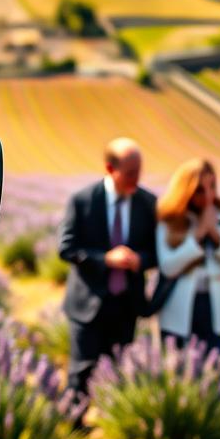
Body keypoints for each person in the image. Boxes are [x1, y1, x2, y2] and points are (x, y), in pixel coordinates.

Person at [59, 138, 157, 395]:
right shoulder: (82, 200)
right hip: (87, 304)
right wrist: (106, 259)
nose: (136, 179)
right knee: (80, 374)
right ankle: (75, 427)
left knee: (119, 374)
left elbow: (157, 253)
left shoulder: (148, 203)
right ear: (110, 169)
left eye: (139, 172)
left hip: (126, 305)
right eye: (130, 173)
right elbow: (67, 249)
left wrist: (140, 261)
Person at [153, 158, 220, 354]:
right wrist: (198, 233)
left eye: (212, 186)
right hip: (178, 313)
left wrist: (215, 236)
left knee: (215, 375)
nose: (208, 196)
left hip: (215, 310)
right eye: (200, 189)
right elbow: (168, 267)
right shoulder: (169, 218)